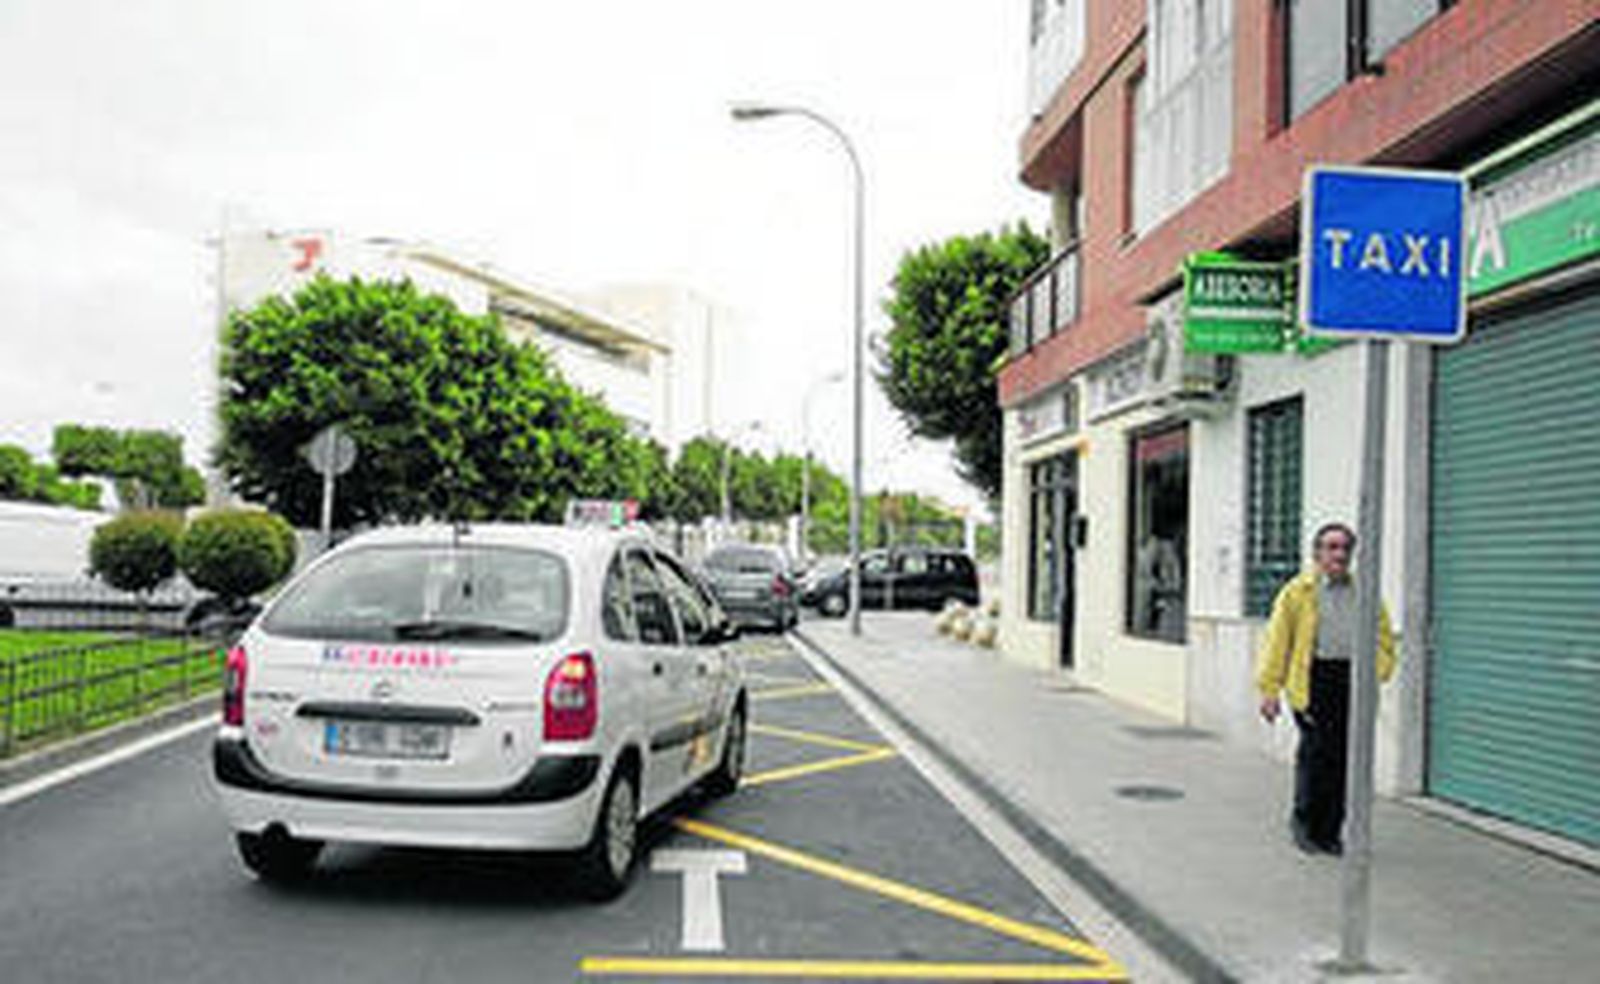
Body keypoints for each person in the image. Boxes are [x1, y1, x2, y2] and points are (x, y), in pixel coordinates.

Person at [1255, 522, 1397, 856]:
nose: (1339, 554)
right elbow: (1278, 643)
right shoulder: (1297, 592)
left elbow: (1385, 640)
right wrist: (1270, 690)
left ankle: (1331, 832)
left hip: (1351, 681)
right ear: (1317, 553)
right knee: (1316, 755)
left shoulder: (1366, 592)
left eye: (1345, 548)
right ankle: (1304, 825)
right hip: (1312, 680)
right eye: (1331, 547)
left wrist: (1377, 671)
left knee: (1345, 761)